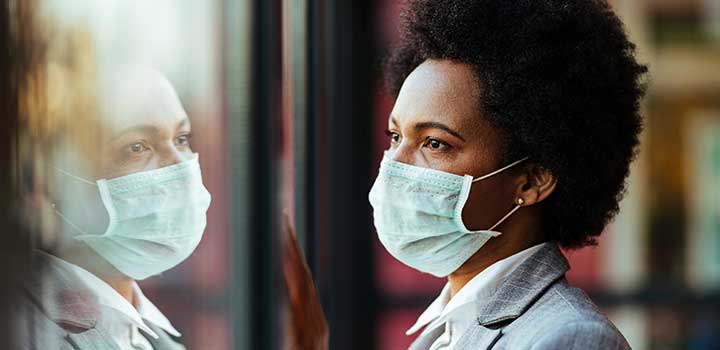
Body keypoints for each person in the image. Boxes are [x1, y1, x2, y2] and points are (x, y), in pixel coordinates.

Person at [288, 0, 648, 349]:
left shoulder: (569, 338)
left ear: (532, 179)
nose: (395, 164)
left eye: (434, 143)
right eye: (395, 136)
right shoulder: (445, 331)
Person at [20, 64, 211, 350]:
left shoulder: (152, 338)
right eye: (136, 147)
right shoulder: (24, 331)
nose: (182, 169)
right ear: (46, 178)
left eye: (181, 138)